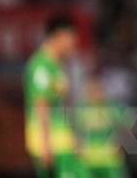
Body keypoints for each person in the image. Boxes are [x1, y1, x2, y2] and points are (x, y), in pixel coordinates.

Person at [24, 15, 89, 178]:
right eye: (71, 38)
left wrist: (75, 135)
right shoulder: (41, 66)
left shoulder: (58, 65)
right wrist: (45, 144)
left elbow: (63, 106)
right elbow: (41, 103)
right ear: (58, 37)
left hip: (63, 141)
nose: (73, 43)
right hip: (52, 143)